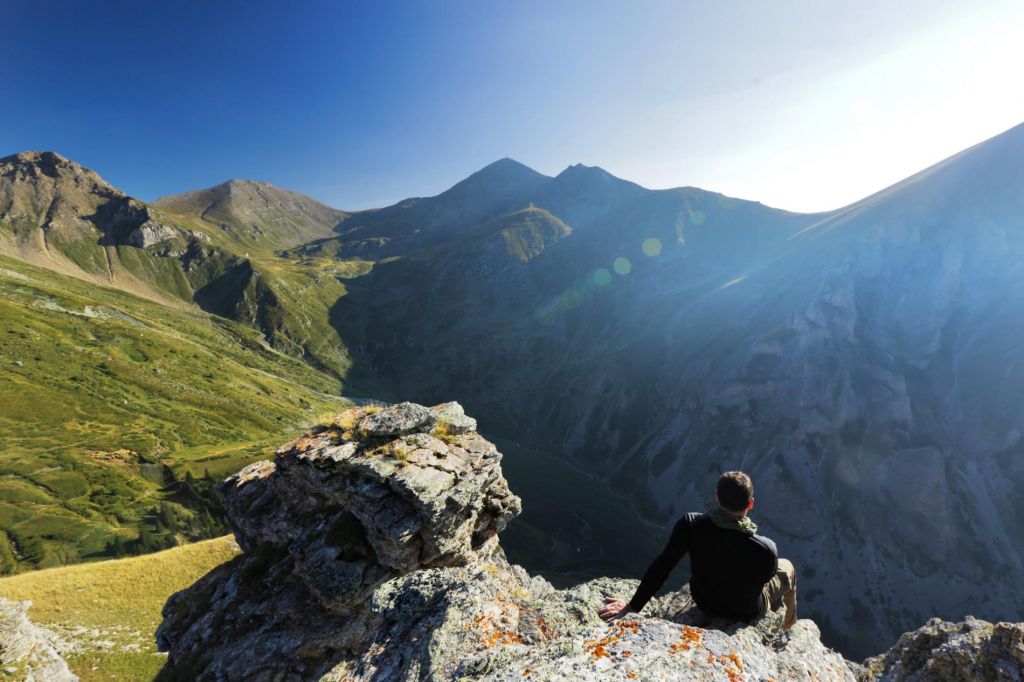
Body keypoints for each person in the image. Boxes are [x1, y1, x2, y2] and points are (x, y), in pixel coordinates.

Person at [598, 471, 797, 629]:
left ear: (717, 496)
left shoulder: (690, 525)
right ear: (750, 503)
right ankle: (789, 626)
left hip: (704, 601)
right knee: (787, 567)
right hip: (746, 612)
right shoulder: (765, 548)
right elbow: (764, 578)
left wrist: (632, 607)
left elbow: (662, 566)